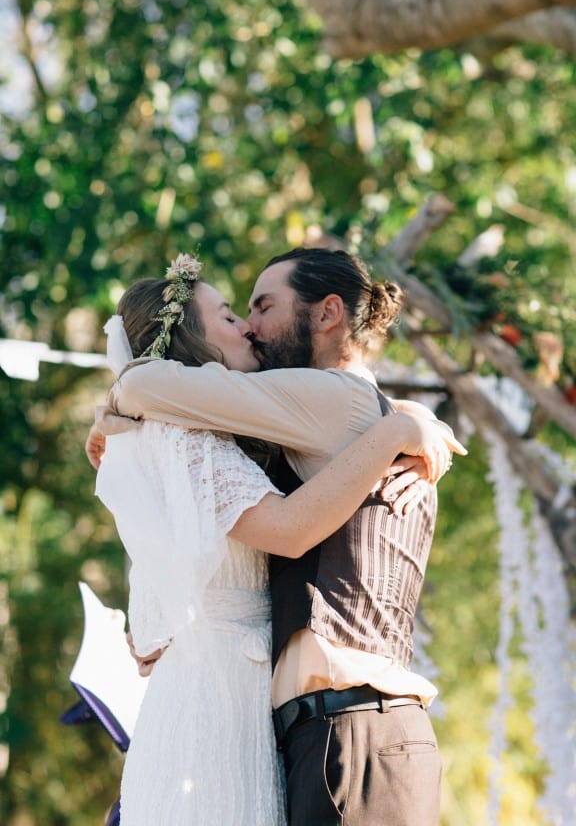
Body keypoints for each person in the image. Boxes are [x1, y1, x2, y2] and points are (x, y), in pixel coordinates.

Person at [89, 248, 466, 825]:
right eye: (237, 315)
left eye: (263, 307)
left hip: (357, 726)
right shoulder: (286, 427)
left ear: (326, 314)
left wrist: (118, 404)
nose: (252, 327)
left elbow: (150, 386)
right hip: (312, 730)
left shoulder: (336, 398)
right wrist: (407, 421)